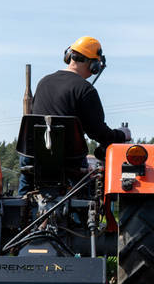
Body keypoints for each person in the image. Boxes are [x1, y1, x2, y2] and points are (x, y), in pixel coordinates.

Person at [18, 36, 131, 194]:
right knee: (86, 194)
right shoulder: (85, 90)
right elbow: (98, 133)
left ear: (69, 56)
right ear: (94, 65)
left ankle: (22, 209)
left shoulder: (43, 82)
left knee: (24, 189)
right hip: (70, 163)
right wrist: (121, 135)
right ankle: (81, 215)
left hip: (34, 159)